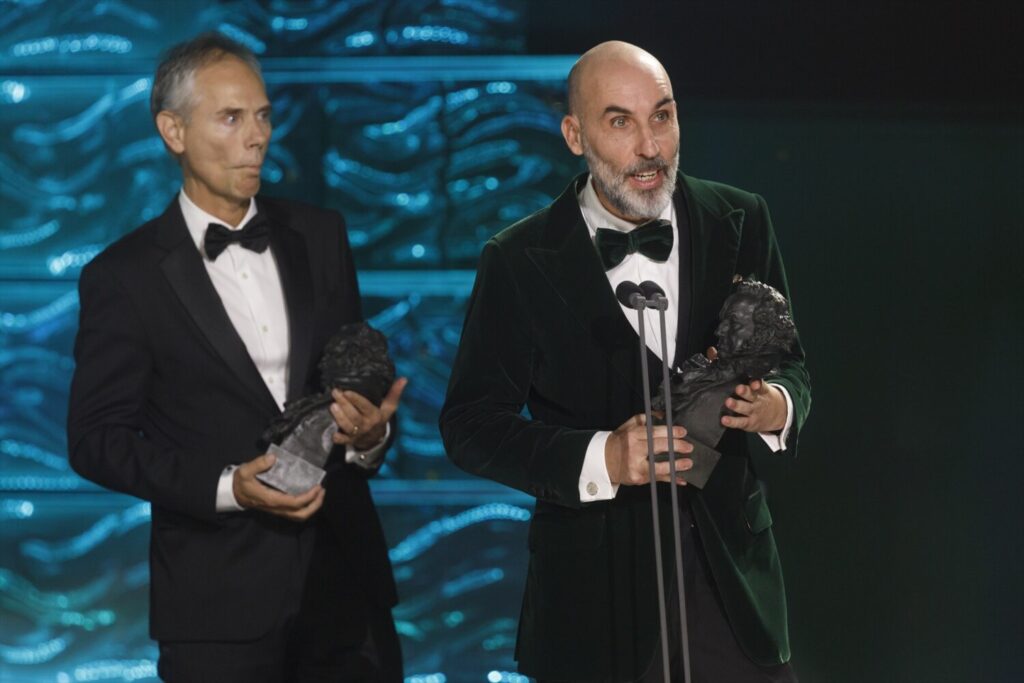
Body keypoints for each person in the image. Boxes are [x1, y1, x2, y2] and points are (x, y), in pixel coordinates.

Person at [439, 41, 811, 682]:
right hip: (593, 602)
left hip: (731, 592)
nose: (650, 148)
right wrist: (602, 458)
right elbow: (470, 425)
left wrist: (776, 406)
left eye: (662, 117)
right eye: (621, 122)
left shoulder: (740, 219)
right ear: (574, 135)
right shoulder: (519, 258)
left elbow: (793, 367)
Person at [67, 33, 405, 682]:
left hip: (346, 590)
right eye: (230, 117)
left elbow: (356, 379)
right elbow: (95, 440)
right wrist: (228, 487)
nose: (257, 137)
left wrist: (370, 434)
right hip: (215, 604)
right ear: (173, 131)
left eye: (263, 115)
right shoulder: (123, 276)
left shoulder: (322, 234)